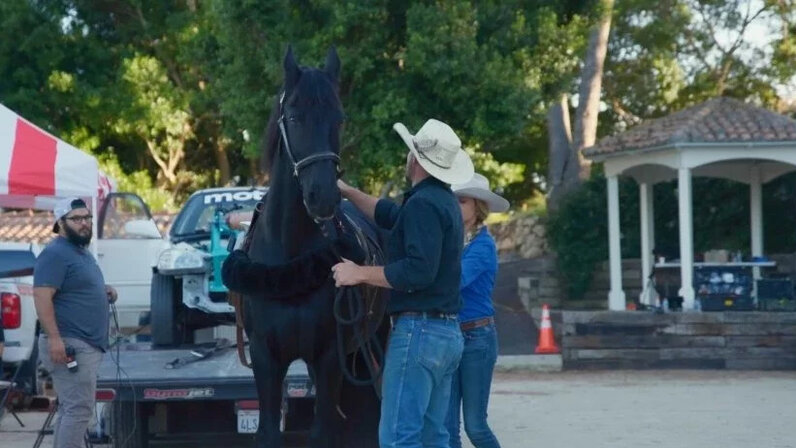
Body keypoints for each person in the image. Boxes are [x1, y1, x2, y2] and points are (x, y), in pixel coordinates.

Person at [332, 118, 474, 447]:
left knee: (399, 436)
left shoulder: (423, 205)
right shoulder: (441, 202)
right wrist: (348, 192)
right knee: (432, 434)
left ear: (414, 159)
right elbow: (390, 215)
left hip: (419, 332)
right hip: (446, 334)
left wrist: (359, 273)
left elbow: (416, 272)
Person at [33, 197, 117, 448]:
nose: (84, 223)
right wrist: (56, 340)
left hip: (82, 344)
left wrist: (102, 290)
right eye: (76, 219)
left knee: (71, 410)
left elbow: (73, 288)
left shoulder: (79, 252)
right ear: (60, 222)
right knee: (79, 411)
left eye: (87, 218)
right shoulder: (55, 253)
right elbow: (41, 296)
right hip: (70, 345)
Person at [446, 173, 509, 448]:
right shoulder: (451, 242)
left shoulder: (483, 245)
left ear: (478, 207)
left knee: (475, 425)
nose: (454, 206)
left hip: (476, 338)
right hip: (450, 336)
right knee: (446, 427)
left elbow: (454, 281)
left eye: (461, 201)